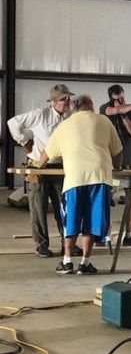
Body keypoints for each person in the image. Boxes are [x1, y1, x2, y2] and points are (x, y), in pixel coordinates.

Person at [40, 95, 123, 274]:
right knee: (92, 221)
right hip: (99, 176)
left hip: (75, 178)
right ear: (91, 105)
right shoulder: (104, 121)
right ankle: (85, 263)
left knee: (71, 220)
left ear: (73, 108)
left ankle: (67, 261)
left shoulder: (64, 125)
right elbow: (117, 151)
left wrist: (37, 165)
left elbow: (46, 154)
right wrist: (117, 167)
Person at [7, 84, 83, 258]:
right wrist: (24, 141)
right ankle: (41, 244)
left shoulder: (70, 117)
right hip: (38, 167)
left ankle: (68, 243)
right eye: (64, 99)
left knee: (64, 206)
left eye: (68, 98)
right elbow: (13, 123)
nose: (68, 102)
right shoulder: (40, 115)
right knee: (38, 206)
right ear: (53, 102)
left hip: (60, 167)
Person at [99, 85, 131, 247]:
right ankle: (102, 235)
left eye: (122, 97)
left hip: (129, 159)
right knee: (105, 196)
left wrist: (124, 115)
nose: (121, 100)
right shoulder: (104, 108)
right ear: (111, 98)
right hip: (110, 160)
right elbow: (112, 111)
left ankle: (129, 234)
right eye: (118, 98)